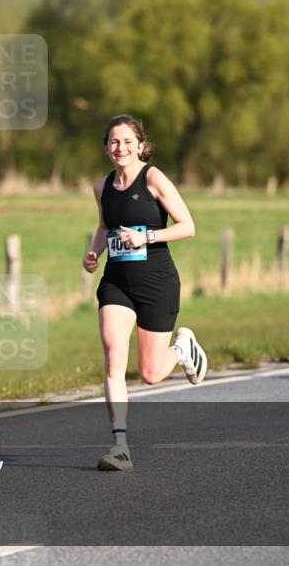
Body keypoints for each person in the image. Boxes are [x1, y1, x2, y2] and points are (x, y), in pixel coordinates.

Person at [82, 115, 208, 471]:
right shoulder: (101, 187)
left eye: (126, 141)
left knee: (151, 374)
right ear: (106, 148)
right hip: (117, 281)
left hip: (157, 282)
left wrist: (147, 237)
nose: (119, 148)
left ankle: (183, 348)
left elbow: (188, 226)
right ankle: (120, 446)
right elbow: (105, 226)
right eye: (113, 142)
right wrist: (95, 253)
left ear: (140, 145)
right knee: (112, 353)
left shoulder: (153, 178)